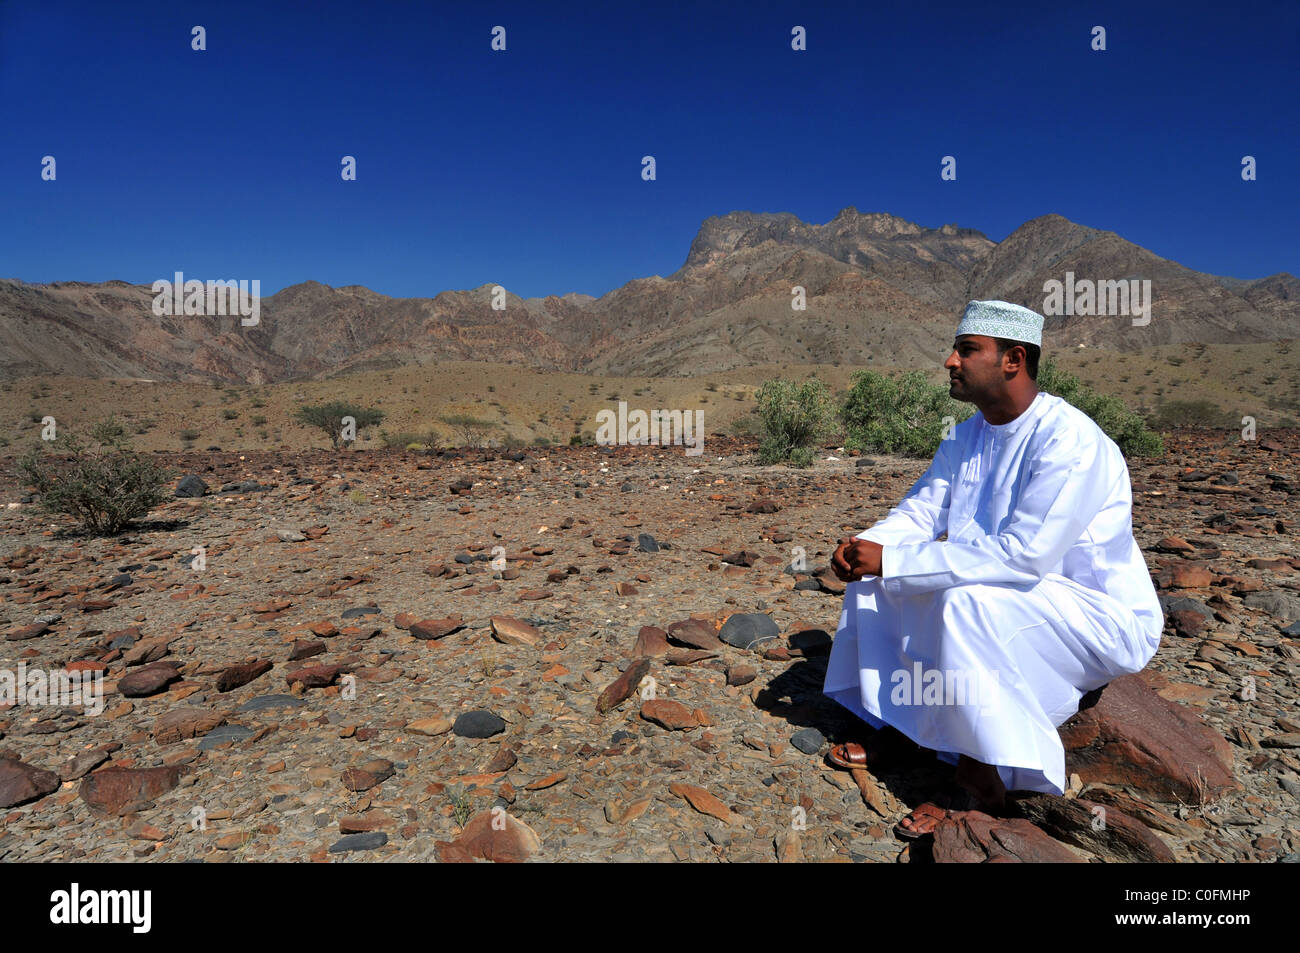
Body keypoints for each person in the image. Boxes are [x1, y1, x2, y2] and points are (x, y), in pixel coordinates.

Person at [821, 299, 1163, 838]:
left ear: (1013, 359)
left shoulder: (1069, 439)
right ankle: (904, 725)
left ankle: (982, 778)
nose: (950, 362)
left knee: (964, 599)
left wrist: (898, 560)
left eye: (966, 350)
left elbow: (1026, 555)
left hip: (1091, 612)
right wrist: (869, 546)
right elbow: (922, 511)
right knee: (878, 583)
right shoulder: (966, 436)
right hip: (1010, 586)